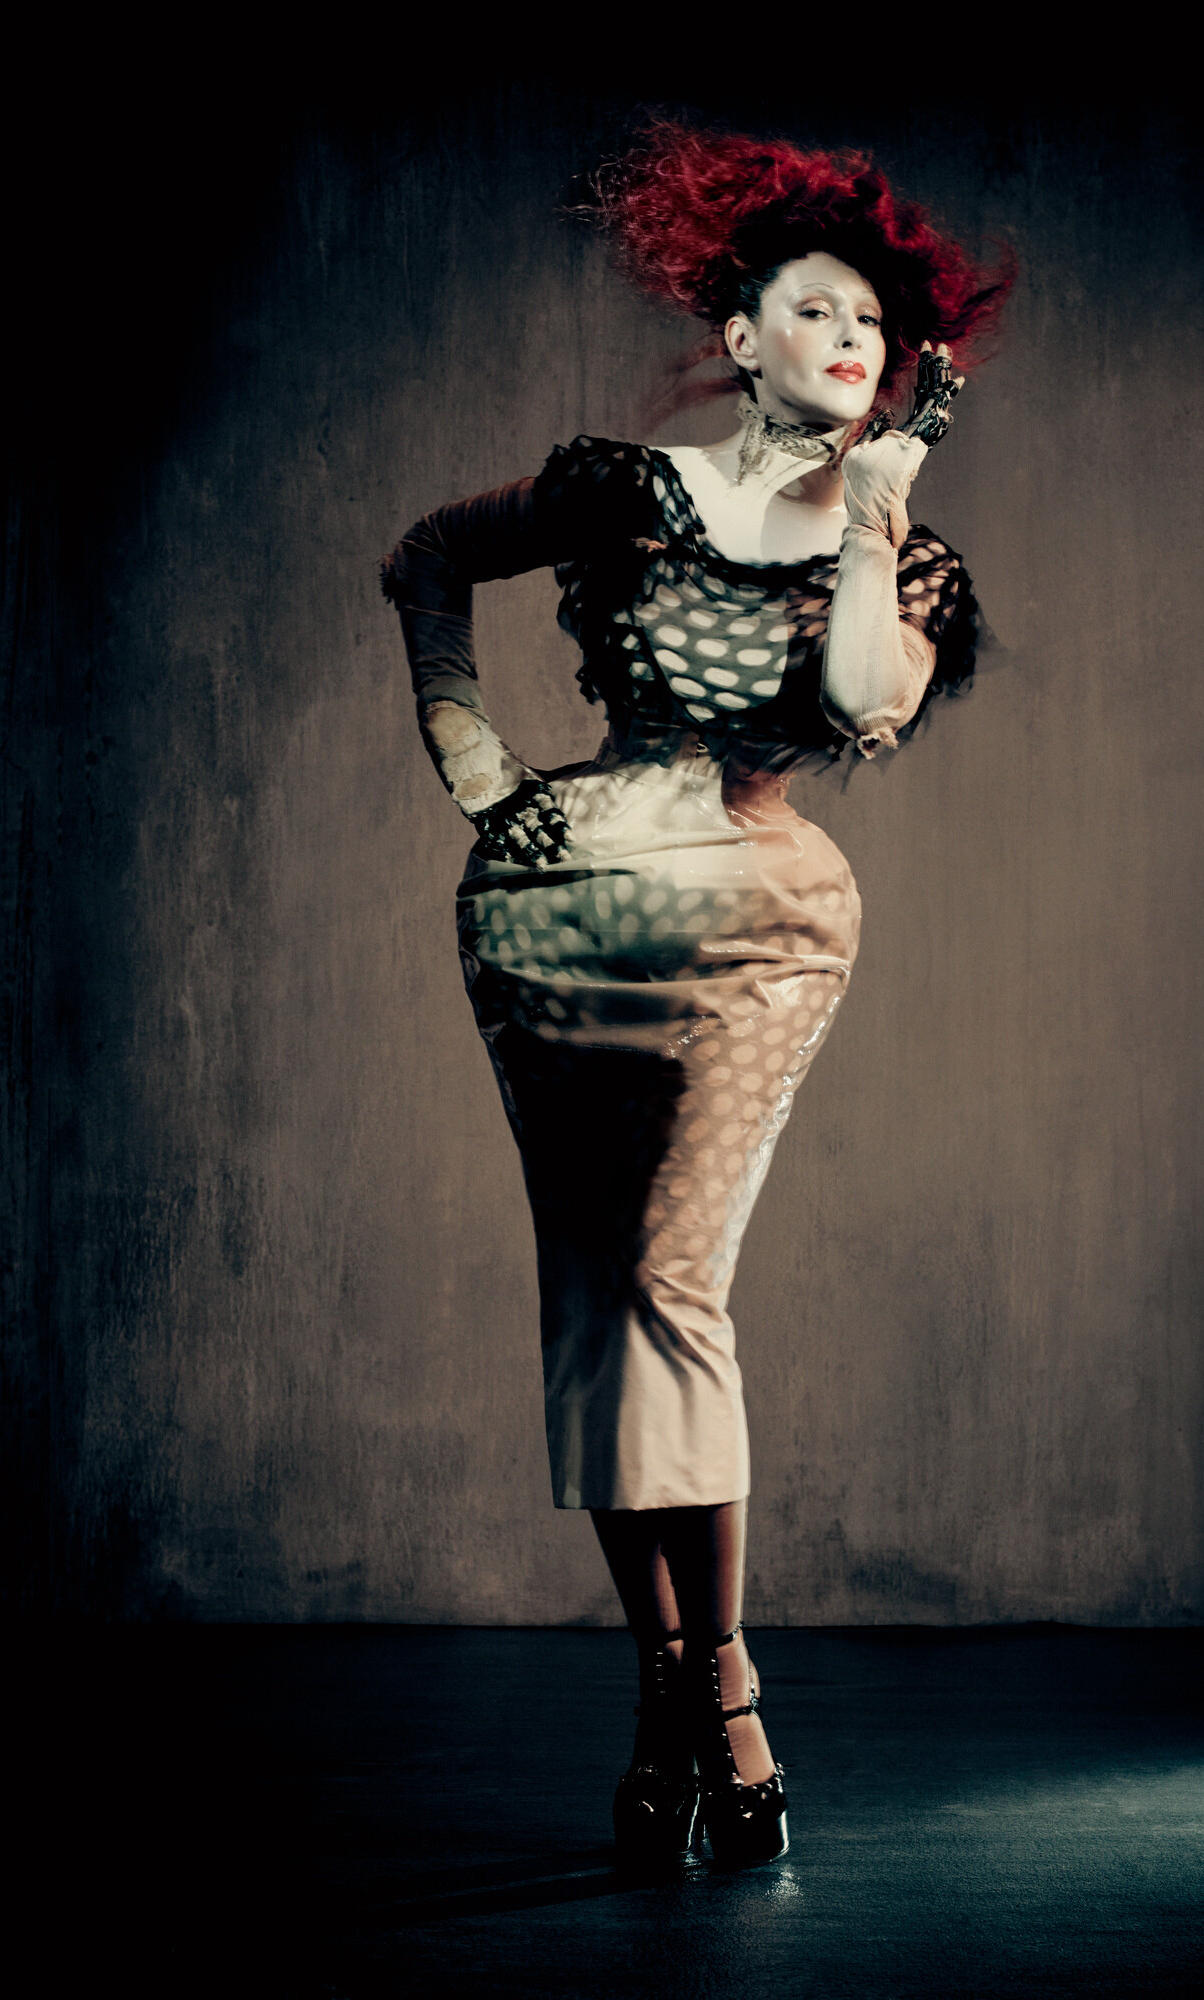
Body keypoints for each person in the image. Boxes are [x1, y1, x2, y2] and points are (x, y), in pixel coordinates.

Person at [380, 121, 1009, 1870]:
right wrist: (465, 742)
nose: (849, 338)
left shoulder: (900, 548)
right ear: (741, 335)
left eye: (872, 324)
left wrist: (872, 523)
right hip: (547, 904)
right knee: (593, 1295)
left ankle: (714, 1687)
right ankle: (671, 1693)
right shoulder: (621, 491)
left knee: (670, 1279)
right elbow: (425, 556)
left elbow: (864, 705)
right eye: (815, 310)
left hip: (754, 921)